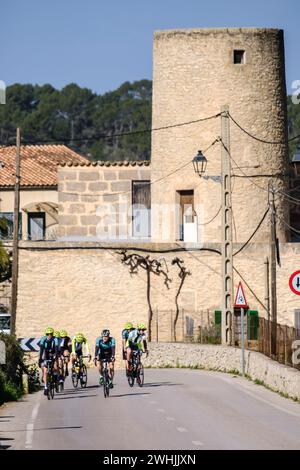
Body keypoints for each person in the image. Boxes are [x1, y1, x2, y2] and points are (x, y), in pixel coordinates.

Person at [39, 327, 58, 395]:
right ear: (46, 334)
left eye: (51, 334)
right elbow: (41, 350)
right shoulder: (43, 339)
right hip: (45, 353)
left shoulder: (55, 339)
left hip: (53, 352)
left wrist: (56, 358)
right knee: (45, 370)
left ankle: (55, 377)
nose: (49, 335)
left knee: (55, 366)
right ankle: (46, 387)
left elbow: (56, 349)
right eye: (48, 334)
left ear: (53, 334)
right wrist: (40, 359)